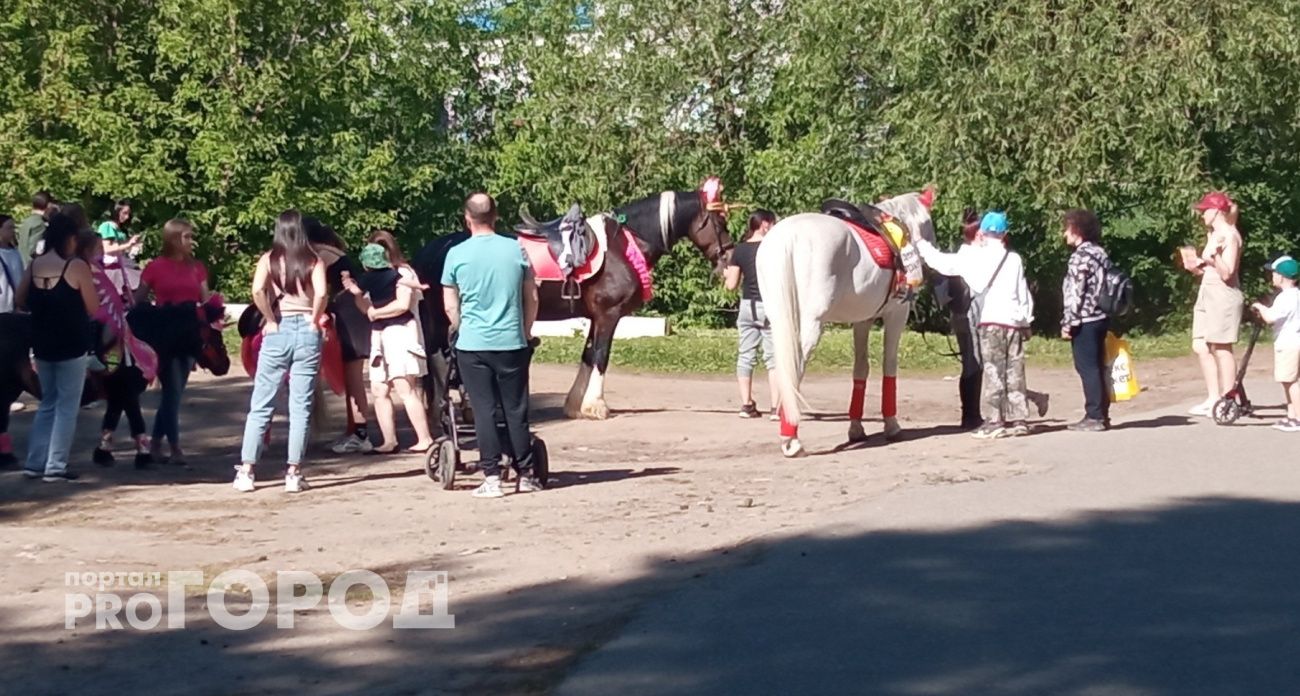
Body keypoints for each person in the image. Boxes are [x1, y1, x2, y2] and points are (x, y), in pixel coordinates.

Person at [441, 192, 541, 498]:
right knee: (515, 409)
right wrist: (525, 331)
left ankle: (493, 478)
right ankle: (526, 474)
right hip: (512, 342)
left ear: (467, 218)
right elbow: (532, 296)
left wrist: (461, 328)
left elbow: (450, 305)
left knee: (483, 410)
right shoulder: (517, 249)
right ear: (495, 216)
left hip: (473, 345)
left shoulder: (456, 254)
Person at [915, 211, 1035, 439]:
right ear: (1004, 234)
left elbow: (942, 263)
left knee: (993, 372)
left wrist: (921, 243)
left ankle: (995, 421)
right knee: (1015, 371)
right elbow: (1022, 292)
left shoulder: (974, 256)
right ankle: (1020, 420)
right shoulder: (1014, 259)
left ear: (982, 233)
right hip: (1013, 322)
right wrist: (1026, 321)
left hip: (991, 320)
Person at [234, 210, 327, 493]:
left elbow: (257, 291)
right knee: (301, 407)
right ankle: (294, 473)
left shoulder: (269, 259)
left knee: (262, 403)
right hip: (307, 331)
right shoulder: (313, 260)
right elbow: (322, 293)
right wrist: (314, 319)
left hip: (279, 329)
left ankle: (247, 471)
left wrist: (270, 320)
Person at [17, 213, 100, 481]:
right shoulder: (76, 266)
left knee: (47, 403)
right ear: (71, 238)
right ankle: (56, 465)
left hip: (42, 342)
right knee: (66, 406)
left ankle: (35, 462)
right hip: (72, 342)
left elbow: (20, 298)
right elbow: (93, 307)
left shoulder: (35, 264)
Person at [343, 243, 435, 454]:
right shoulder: (383, 277)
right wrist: (357, 295)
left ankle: (425, 438)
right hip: (379, 333)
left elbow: (402, 305)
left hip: (399, 331)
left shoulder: (397, 273)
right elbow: (364, 306)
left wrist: (375, 312)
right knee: (379, 388)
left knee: (404, 387)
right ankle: (389, 441)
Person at [135, 219, 211, 465]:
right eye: (187, 236)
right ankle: (174, 446)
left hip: (189, 332)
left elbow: (205, 299)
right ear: (173, 239)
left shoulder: (197, 267)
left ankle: (157, 443)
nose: (191, 241)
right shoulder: (155, 267)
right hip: (164, 333)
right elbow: (138, 299)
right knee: (173, 390)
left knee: (173, 392)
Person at [81, 232, 156, 468]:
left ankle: (107, 446)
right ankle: (140, 446)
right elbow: (96, 305)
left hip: (118, 333)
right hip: (109, 338)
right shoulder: (87, 270)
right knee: (124, 389)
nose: (102, 251)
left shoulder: (95, 269)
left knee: (121, 391)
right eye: (98, 247)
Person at [304, 219, 374, 454]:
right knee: (351, 378)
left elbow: (317, 288)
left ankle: (361, 434)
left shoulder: (322, 255)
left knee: (354, 379)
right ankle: (354, 429)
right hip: (351, 315)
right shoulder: (334, 252)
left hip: (349, 319)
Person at [1183, 191, 1243, 416]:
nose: (1202, 215)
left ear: (1216, 211)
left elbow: (1227, 273)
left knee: (1222, 347)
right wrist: (1196, 267)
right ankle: (1213, 398)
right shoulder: (1214, 234)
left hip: (1223, 295)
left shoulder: (1229, 235)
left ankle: (1229, 401)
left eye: (1205, 210)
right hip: (1207, 291)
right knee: (1200, 345)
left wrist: (1214, 256)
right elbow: (1211, 270)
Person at [1060, 209, 1112, 432]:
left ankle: (1094, 416)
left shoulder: (1080, 257)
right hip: (1102, 316)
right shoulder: (1100, 253)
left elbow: (1076, 292)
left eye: (1067, 228)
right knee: (1098, 366)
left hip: (1085, 318)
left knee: (1087, 367)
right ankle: (1102, 414)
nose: (1065, 233)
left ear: (1077, 229)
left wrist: (1068, 322)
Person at [724, 209, 778, 419]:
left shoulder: (740, 249)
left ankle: (746, 405)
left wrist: (726, 274)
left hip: (747, 306)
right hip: (770, 305)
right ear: (764, 224)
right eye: (773, 223)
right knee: (773, 358)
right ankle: (775, 407)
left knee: (745, 356)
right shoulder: (774, 248)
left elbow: (731, 285)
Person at [1251, 255, 1300, 431]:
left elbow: (1271, 318)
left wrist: (1260, 307)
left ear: (1281, 276)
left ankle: (1298, 417)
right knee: (1289, 380)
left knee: (1290, 382)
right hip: (1294, 342)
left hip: (1287, 344)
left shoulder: (1285, 297)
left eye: (1274, 273)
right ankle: (1291, 415)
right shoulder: (1296, 295)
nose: (1272, 276)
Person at [16, 190, 52, 259]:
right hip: (31, 263)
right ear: (48, 205)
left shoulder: (27, 221)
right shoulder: (39, 224)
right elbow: (33, 250)